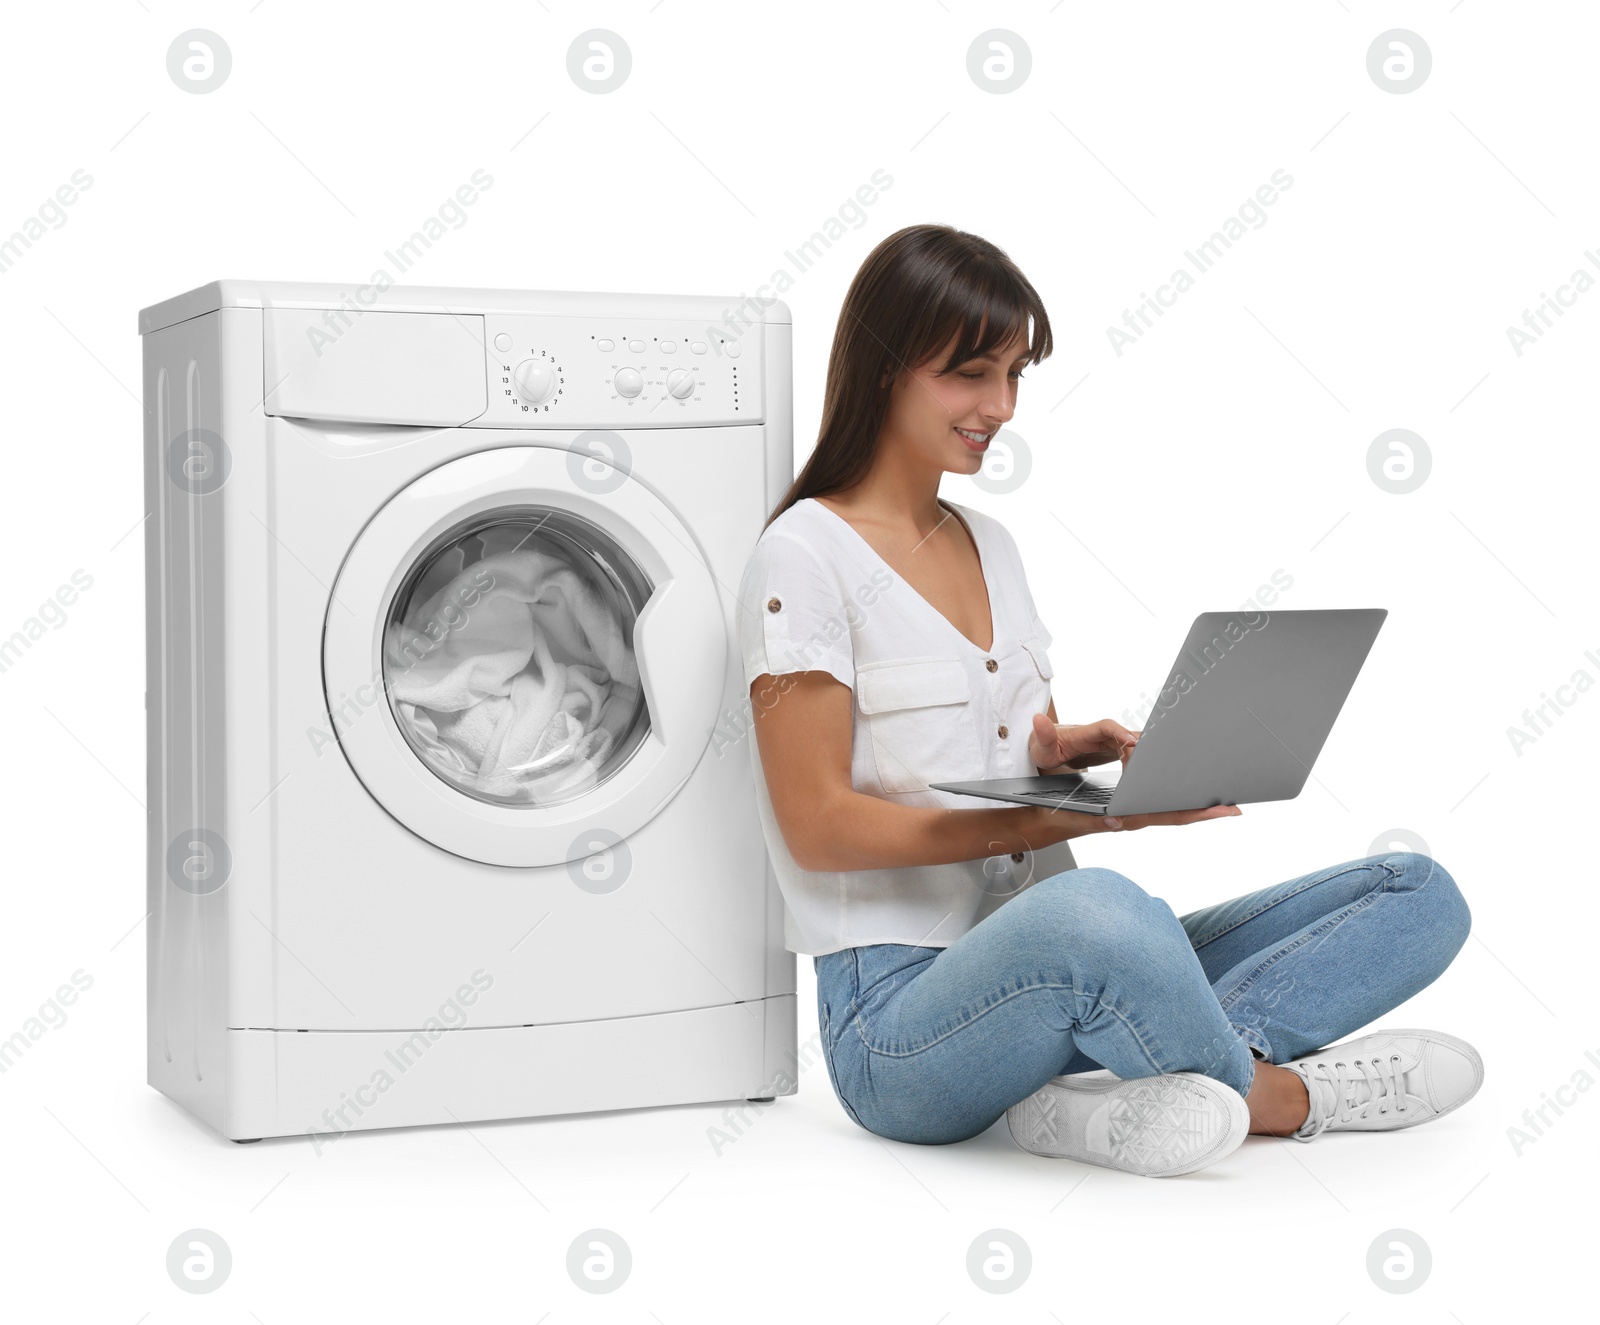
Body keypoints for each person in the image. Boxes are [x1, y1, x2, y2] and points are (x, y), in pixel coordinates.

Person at [736, 223, 1481, 1177]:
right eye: (972, 372)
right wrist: (1062, 828)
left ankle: (1111, 1085)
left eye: (1014, 375)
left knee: (1415, 891)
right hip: (901, 1023)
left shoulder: (989, 543)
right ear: (885, 366)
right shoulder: (804, 554)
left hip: (1066, 958)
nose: (1000, 406)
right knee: (1103, 909)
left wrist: (1058, 751)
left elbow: (983, 733)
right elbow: (819, 828)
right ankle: (1280, 1096)